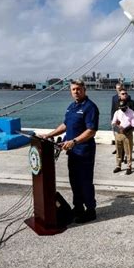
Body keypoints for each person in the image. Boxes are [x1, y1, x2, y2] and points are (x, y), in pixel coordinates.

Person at [42, 80, 99, 224]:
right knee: (74, 181)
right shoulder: (71, 107)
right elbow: (66, 125)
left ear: (84, 90)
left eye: (79, 89)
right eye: (73, 89)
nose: (76, 91)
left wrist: (74, 141)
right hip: (72, 153)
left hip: (84, 152)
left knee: (85, 181)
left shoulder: (90, 107)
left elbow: (91, 131)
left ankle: (91, 210)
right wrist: (50, 134)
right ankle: (78, 207)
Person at [110, 84, 134, 154]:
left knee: (127, 137)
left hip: (125, 121)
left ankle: (127, 154)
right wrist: (112, 119)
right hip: (117, 119)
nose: (118, 90)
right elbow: (113, 109)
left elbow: (131, 109)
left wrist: (131, 119)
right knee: (117, 135)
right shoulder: (114, 98)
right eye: (117, 88)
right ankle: (118, 149)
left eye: (119, 88)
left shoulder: (127, 97)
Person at [112, 98, 134, 175]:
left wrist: (125, 130)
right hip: (118, 134)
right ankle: (118, 166)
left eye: (123, 108)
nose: (122, 109)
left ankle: (129, 167)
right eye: (120, 108)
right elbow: (113, 123)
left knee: (128, 151)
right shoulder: (117, 112)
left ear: (127, 106)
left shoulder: (132, 113)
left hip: (127, 134)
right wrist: (118, 128)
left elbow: (133, 126)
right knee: (118, 151)